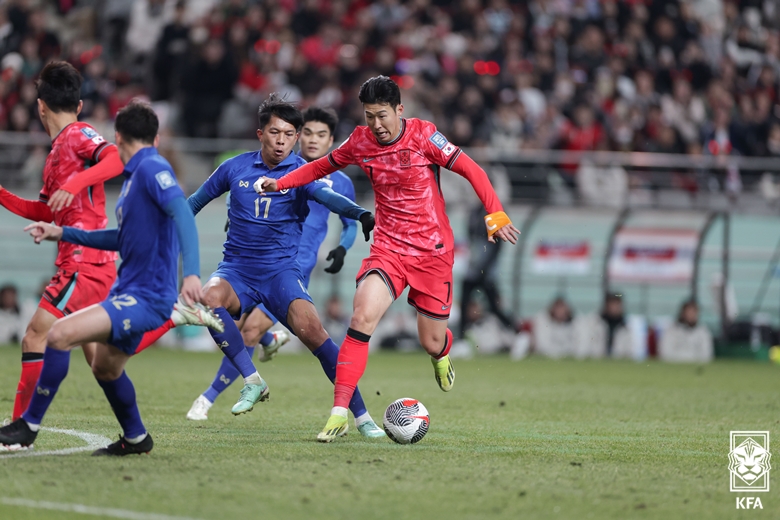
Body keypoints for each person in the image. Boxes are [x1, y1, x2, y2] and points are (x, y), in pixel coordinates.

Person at [256, 75, 519, 442]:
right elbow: (319, 167)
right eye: (368, 116)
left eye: (382, 115)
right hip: (388, 249)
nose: (376, 125)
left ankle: (440, 354)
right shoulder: (360, 141)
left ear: (399, 110)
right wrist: (280, 183)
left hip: (432, 253)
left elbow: (472, 169)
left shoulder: (426, 137)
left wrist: (495, 213)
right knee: (361, 316)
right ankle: (338, 413)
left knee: (430, 340)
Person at [0, 100, 220, 455]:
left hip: (146, 296)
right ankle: (136, 438)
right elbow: (120, 238)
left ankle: (28, 426)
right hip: (130, 290)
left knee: (58, 334)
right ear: (157, 136)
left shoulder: (150, 168)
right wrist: (62, 233)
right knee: (105, 367)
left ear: (116, 137)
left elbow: (183, 211)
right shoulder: (135, 182)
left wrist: (192, 274)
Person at [183, 95, 385, 436]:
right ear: (260, 133)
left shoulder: (303, 173)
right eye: (275, 132)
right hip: (237, 270)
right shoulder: (234, 168)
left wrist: (361, 214)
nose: (281, 140)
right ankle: (252, 380)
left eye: (289, 134)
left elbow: (331, 198)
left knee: (316, 335)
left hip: (281, 273)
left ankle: (362, 416)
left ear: (295, 138)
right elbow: (193, 204)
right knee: (209, 299)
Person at [0, 61, 123, 425]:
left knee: (36, 334)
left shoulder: (77, 134)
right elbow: (46, 211)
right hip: (92, 261)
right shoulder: (55, 154)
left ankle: (20, 426)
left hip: (83, 261)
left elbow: (114, 159)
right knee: (101, 362)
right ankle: (135, 434)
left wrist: (75, 183)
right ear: (79, 102)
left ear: (39, 106)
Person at [658, 299, 713, 363]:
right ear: (683, 313)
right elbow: (665, 353)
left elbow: (707, 355)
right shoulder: (671, 330)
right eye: (688, 312)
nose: (691, 315)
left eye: (693, 312)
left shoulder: (703, 331)